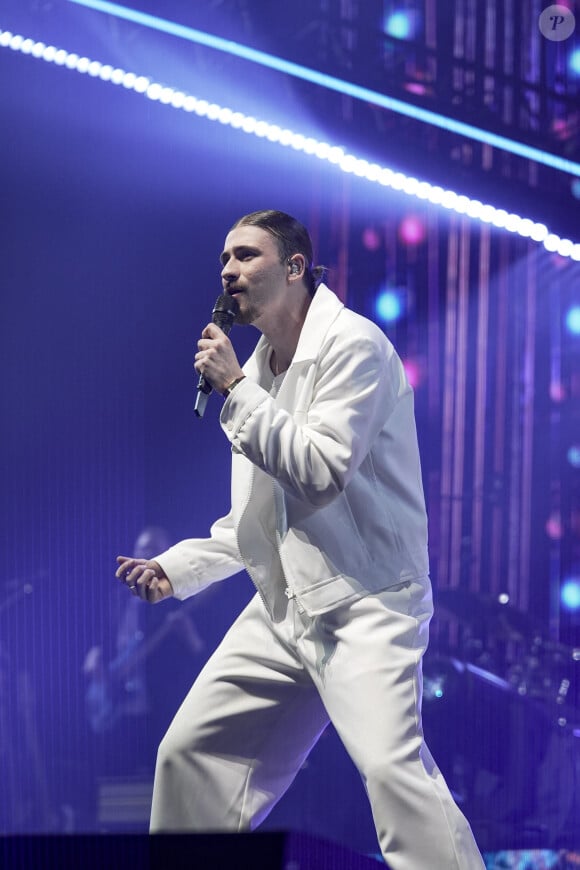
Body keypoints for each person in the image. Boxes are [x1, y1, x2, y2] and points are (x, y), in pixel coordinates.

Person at [116, 210, 485, 868]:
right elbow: (257, 521)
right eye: (225, 257)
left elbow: (320, 473)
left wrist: (234, 390)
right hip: (286, 604)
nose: (229, 268)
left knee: (393, 777)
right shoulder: (258, 370)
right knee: (190, 756)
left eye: (247, 255)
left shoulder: (354, 346)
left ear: (293, 267)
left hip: (367, 600)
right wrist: (178, 569)